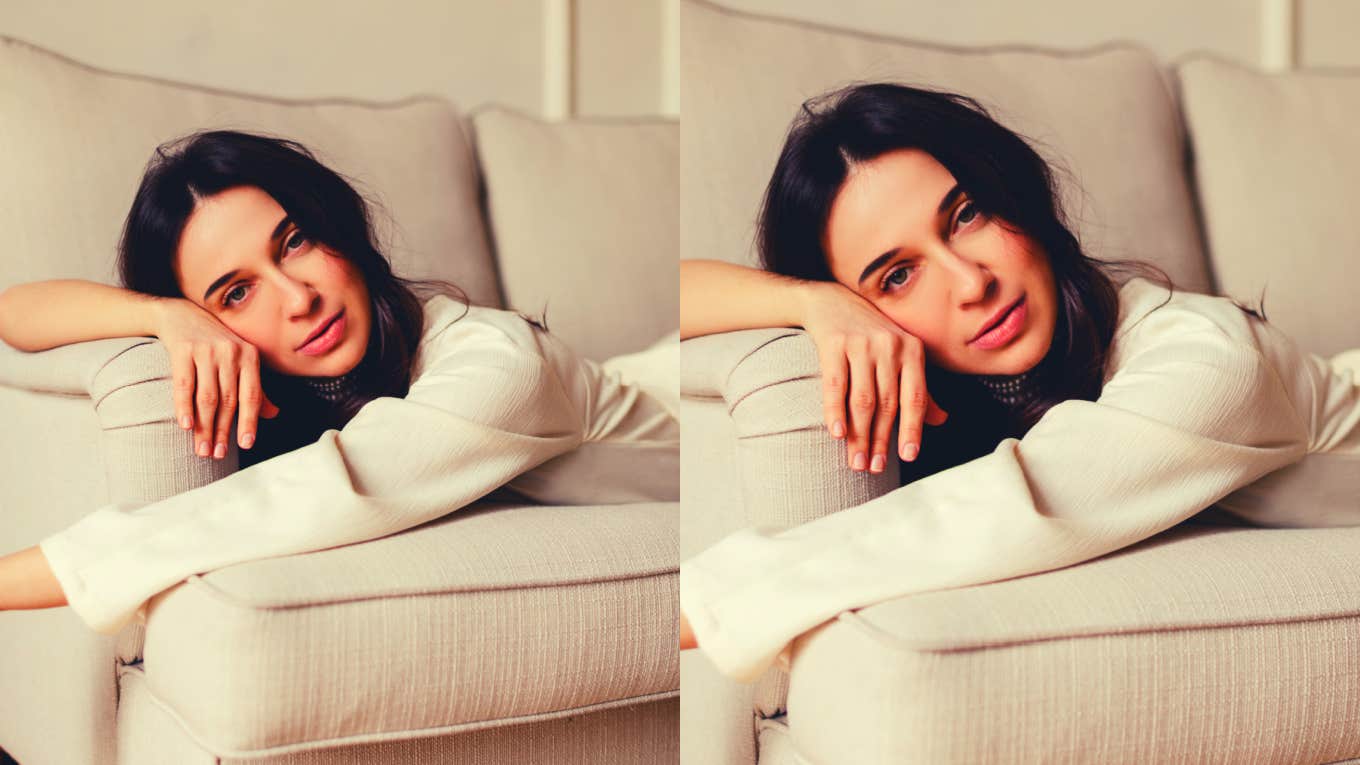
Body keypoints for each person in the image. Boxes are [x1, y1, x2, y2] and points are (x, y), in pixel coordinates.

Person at [678, 83, 1360, 683]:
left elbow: (1030, 498)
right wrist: (810, 303)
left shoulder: (1209, 360)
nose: (972, 283)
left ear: (1018, 196)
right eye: (897, 275)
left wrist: (703, 598)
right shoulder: (978, 388)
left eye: (967, 215)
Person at [0, 130, 678, 633]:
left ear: (340, 229)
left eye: (294, 241)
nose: (297, 299)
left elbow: (325, 490)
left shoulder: (501, 366)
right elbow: (14, 314)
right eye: (237, 293)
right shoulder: (292, 374)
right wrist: (161, 315)